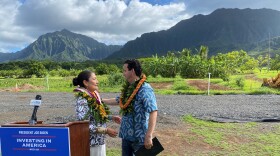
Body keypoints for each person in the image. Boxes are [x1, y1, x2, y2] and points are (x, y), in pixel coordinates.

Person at [103, 59, 158, 156]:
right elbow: (119, 100)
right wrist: (100, 101)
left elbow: (153, 111)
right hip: (126, 136)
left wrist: (149, 135)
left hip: (140, 137)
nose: (123, 73)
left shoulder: (145, 89)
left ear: (132, 71)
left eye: (124, 70)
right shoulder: (128, 88)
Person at [72, 70, 121, 156]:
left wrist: (111, 117)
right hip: (91, 143)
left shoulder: (93, 96)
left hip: (98, 141)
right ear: (85, 82)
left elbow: (97, 115)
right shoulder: (82, 99)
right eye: (94, 79)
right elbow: (84, 125)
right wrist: (105, 130)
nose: (97, 82)